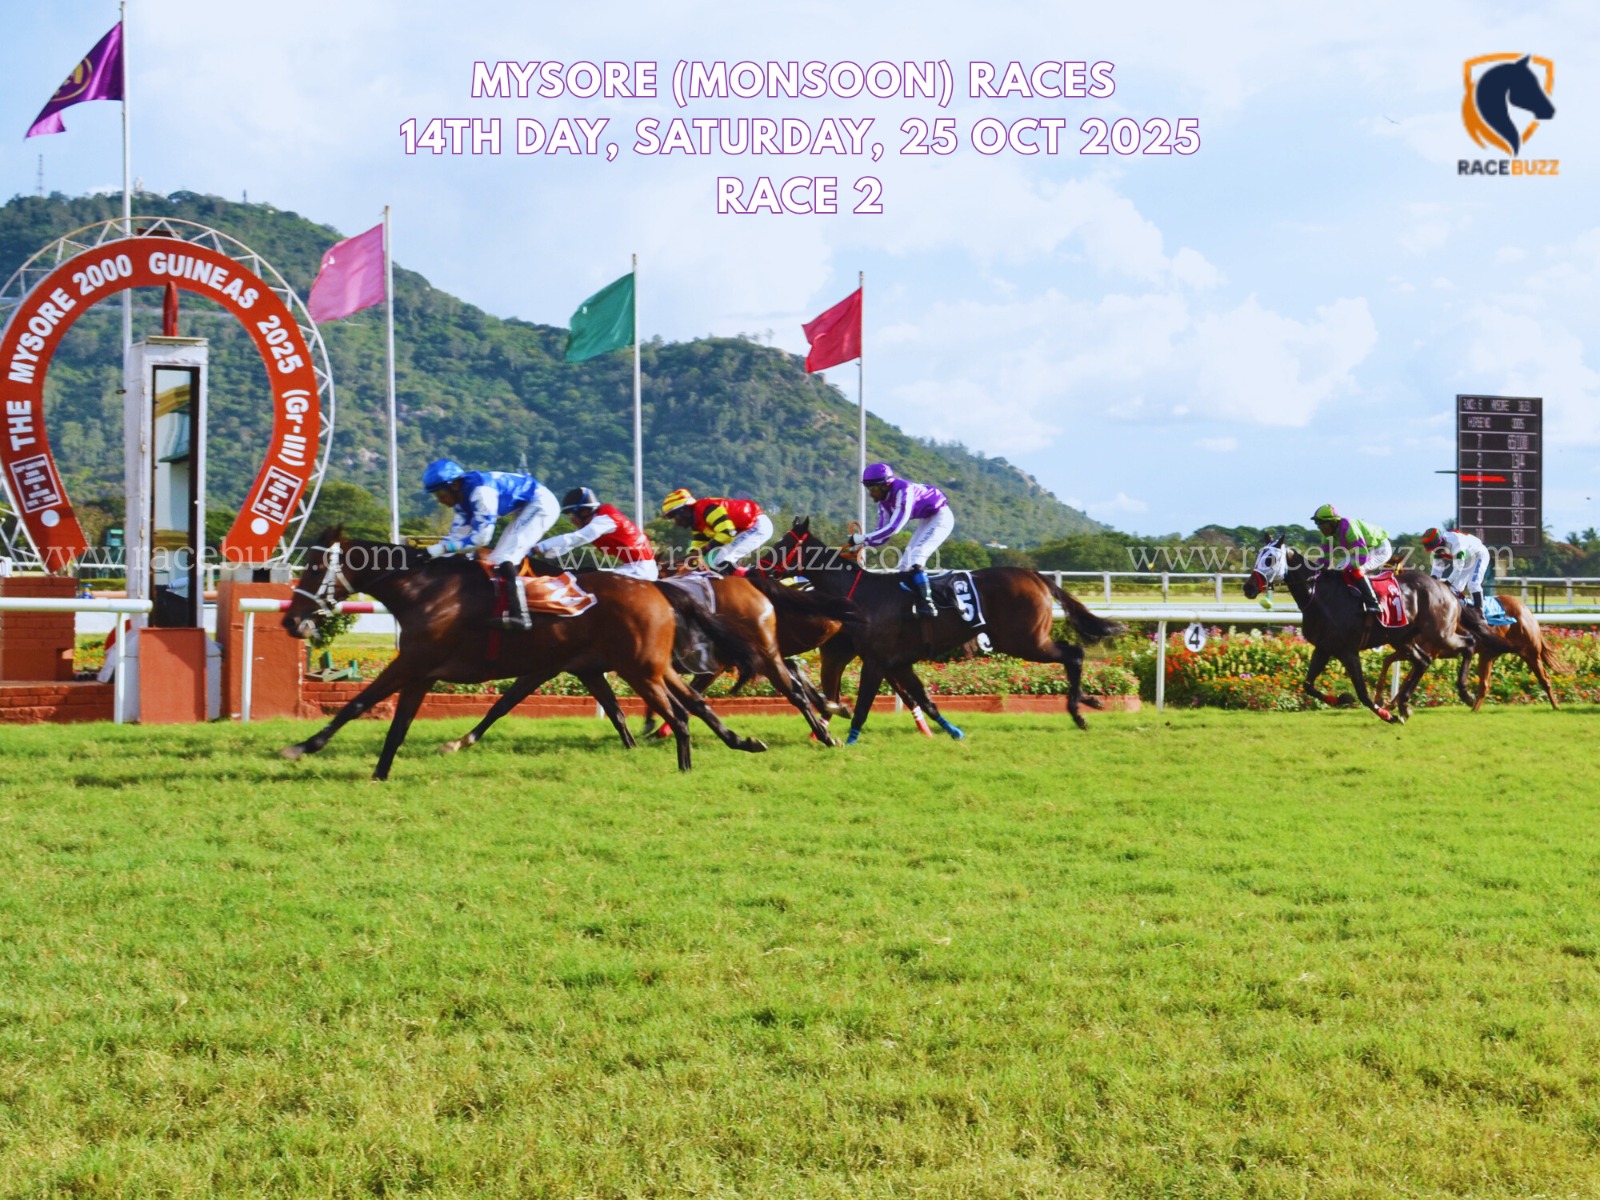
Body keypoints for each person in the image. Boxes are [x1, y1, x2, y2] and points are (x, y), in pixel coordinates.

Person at [421, 458, 559, 630]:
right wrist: (427, 556)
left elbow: (481, 539)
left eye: (441, 494)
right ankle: (500, 609)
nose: (439, 500)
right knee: (494, 560)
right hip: (527, 506)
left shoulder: (481, 494)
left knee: (504, 557)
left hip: (541, 504)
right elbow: (456, 538)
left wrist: (440, 549)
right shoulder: (461, 500)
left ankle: (521, 616)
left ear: (454, 485)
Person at [849, 462, 954, 619]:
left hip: (941, 517)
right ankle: (909, 604)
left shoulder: (903, 491)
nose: (872, 493)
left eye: (875, 489)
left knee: (915, 559)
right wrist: (862, 544)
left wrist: (863, 538)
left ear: (886, 485)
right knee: (904, 566)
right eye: (869, 489)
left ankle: (927, 604)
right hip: (927, 519)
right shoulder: (883, 504)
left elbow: (894, 528)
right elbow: (882, 536)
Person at [534, 487, 659, 581]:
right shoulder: (600, 519)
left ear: (584, 512)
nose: (571, 520)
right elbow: (570, 544)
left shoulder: (604, 521)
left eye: (572, 515)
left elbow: (576, 539)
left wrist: (540, 547)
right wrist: (547, 553)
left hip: (641, 570)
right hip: (633, 567)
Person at [660, 489, 773, 573]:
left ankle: (753, 582)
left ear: (684, 511)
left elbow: (727, 534)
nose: (676, 522)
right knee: (718, 560)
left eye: (675, 517)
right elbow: (698, 545)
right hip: (746, 528)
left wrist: (701, 552)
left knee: (721, 560)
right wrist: (685, 560)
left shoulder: (708, 509)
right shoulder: (696, 521)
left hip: (757, 525)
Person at [1311, 503, 1392, 615]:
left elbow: (1362, 558)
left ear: (1333, 522)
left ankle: (1373, 603)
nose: (1319, 527)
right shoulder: (1327, 536)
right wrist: (1313, 572)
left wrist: (1346, 568)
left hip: (1380, 548)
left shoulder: (1349, 528)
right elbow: (1324, 560)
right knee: (1339, 568)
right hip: (1364, 550)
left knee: (1358, 570)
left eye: (1322, 523)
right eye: (1317, 524)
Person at [1422, 526, 1490, 609]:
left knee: (1473, 584)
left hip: (1479, 554)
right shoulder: (1438, 549)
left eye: (1435, 548)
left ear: (1441, 542)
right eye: (1432, 549)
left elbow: (1458, 568)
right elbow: (1436, 571)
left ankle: (1480, 612)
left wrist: (1447, 583)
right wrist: (1432, 583)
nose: (1435, 551)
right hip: (1467, 559)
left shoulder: (1456, 543)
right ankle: (1467, 609)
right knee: (1455, 589)